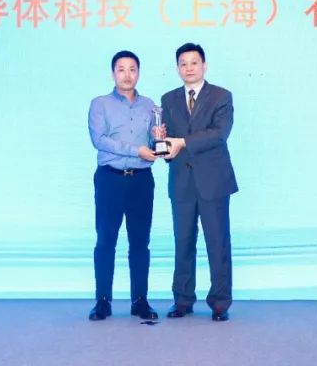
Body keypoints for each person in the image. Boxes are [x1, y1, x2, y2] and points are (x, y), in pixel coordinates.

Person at [157, 43, 237, 321]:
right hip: (182, 181)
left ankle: (220, 303)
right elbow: (167, 139)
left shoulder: (221, 96)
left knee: (217, 243)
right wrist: (161, 143)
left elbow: (219, 134)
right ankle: (182, 301)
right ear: (177, 68)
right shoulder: (168, 99)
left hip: (213, 181)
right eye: (183, 63)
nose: (189, 68)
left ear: (204, 66)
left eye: (194, 62)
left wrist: (182, 142)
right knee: (183, 242)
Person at [86, 50, 160, 321]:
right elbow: (99, 140)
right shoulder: (100, 104)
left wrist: (156, 139)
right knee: (106, 240)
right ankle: (103, 301)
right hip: (110, 179)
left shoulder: (150, 105)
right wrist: (135, 150)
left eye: (132, 69)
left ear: (138, 73)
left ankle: (140, 300)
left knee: (140, 242)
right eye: (121, 69)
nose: (127, 75)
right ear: (113, 73)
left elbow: (152, 146)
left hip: (141, 180)